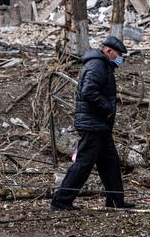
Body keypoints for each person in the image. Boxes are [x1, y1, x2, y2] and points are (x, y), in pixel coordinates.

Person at [50, 36, 135, 211]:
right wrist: (107, 109)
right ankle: (61, 200)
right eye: (119, 55)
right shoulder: (97, 65)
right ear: (109, 52)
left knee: (110, 163)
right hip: (93, 123)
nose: (120, 59)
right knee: (83, 163)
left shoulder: (102, 65)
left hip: (99, 124)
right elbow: (88, 91)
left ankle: (115, 201)